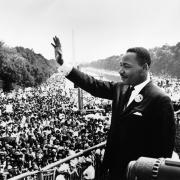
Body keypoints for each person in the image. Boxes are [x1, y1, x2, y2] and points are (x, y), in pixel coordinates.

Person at [51, 36, 175, 180]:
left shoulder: (160, 99)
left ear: (145, 67)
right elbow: (93, 85)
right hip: (111, 170)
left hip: (136, 174)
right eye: (121, 65)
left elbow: (164, 151)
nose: (120, 71)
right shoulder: (120, 88)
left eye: (126, 66)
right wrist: (62, 63)